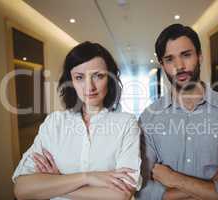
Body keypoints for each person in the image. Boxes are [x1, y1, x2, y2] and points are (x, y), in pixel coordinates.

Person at [136, 24, 218, 200]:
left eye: (186, 55)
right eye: (169, 59)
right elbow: (142, 192)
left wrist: (175, 180)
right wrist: (213, 185)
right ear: (162, 65)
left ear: (200, 56)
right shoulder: (148, 118)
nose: (179, 66)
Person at [12, 41, 142, 200]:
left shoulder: (126, 123)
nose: (89, 87)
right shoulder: (54, 123)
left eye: (98, 76)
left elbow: (121, 194)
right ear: (71, 82)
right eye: (79, 77)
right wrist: (87, 177)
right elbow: (22, 189)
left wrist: (58, 181)